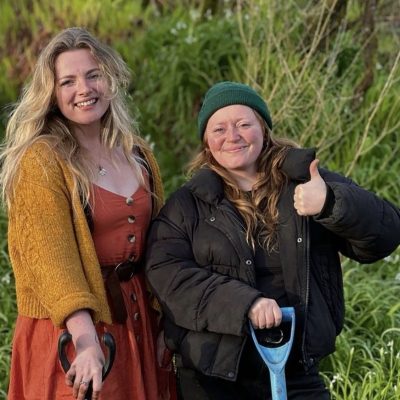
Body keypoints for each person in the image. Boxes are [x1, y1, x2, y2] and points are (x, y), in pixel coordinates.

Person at [145, 81, 400, 399]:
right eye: (219, 129)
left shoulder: (306, 181)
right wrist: (244, 304)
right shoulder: (187, 205)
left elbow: (386, 234)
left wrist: (331, 203)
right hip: (213, 377)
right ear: (207, 144)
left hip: (296, 373)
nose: (232, 136)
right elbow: (167, 275)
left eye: (243, 124)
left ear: (263, 129)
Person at [1, 27, 175, 400]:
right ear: (52, 94)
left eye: (93, 75)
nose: (84, 89)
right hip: (72, 328)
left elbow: (161, 245)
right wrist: (85, 340)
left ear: (109, 79)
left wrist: (166, 321)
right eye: (68, 81)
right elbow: (52, 261)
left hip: (136, 321)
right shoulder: (43, 161)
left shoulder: (138, 152)